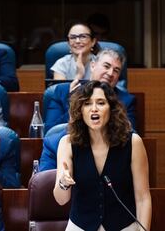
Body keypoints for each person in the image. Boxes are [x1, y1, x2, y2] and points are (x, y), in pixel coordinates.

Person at [53, 81, 151, 230]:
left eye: (100, 103)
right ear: (80, 110)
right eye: (87, 104)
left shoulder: (133, 143)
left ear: (111, 108)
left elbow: (143, 198)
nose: (94, 109)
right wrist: (63, 183)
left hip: (123, 226)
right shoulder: (67, 143)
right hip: (81, 226)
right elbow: (61, 200)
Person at [40, 49, 137, 172]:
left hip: (110, 155)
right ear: (92, 65)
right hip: (70, 149)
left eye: (116, 70)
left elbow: (129, 135)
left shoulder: (126, 100)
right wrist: (73, 103)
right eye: (106, 66)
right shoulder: (61, 91)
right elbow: (50, 130)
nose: (110, 73)